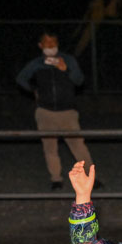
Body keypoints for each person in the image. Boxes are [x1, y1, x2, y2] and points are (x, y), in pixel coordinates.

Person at [16, 32, 93, 191]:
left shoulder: (68, 60)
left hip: (68, 112)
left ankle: (91, 177)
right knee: (50, 148)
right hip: (45, 111)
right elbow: (21, 78)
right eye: (47, 42)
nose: (51, 45)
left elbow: (79, 80)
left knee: (78, 146)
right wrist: (33, 90)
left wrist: (66, 70)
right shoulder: (36, 64)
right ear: (40, 45)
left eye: (54, 42)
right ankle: (56, 179)